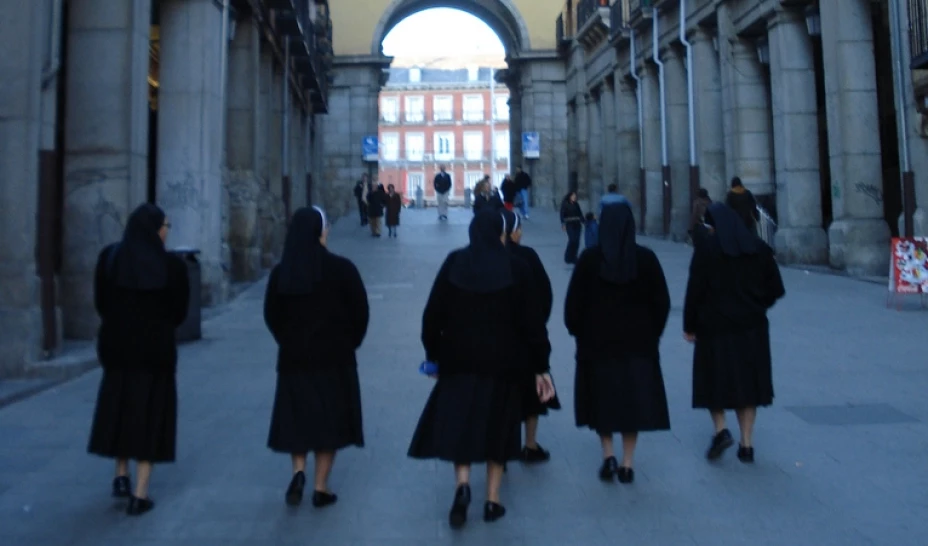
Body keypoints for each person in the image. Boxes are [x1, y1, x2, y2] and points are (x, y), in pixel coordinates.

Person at [408, 210, 555, 529]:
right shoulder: (516, 266)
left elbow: (432, 314)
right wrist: (541, 365)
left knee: (462, 423)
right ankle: (492, 499)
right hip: (505, 362)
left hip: (458, 361)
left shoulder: (455, 262)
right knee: (499, 429)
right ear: (501, 233)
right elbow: (532, 322)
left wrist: (433, 354)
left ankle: (462, 486)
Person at [87, 203, 190, 516]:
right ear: (155, 229)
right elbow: (179, 312)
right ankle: (141, 493)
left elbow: (101, 302)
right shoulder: (172, 267)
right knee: (151, 413)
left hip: (117, 349)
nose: (167, 231)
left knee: (121, 406)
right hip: (155, 352)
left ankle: (121, 474)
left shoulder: (111, 258)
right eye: (166, 226)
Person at [264, 206, 370, 508]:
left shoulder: (281, 273)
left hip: (294, 359)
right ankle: (321, 486)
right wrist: (351, 342)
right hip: (335, 359)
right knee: (329, 424)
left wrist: (287, 341)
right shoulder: (342, 269)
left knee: (297, 419)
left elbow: (271, 314)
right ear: (319, 231)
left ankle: (299, 472)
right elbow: (360, 312)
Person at [565, 202, 671, 483]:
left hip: (596, 348)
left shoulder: (589, 260)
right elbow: (662, 302)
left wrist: (578, 332)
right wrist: (653, 334)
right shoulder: (645, 259)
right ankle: (627, 463)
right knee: (631, 407)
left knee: (603, 404)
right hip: (638, 348)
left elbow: (573, 305)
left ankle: (608, 455)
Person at [683, 203, 785, 463]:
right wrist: (758, 305)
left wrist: (689, 325)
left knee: (713, 381)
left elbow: (694, 290)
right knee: (749, 384)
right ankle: (747, 444)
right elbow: (776, 289)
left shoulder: (706, 250)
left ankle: (721, 430)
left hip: (714, 328)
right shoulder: (759, 249)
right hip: (753, 329)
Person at [501, 209, 560, 463]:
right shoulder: (527, 257)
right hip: (526, 340)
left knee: (501, 397)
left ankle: (500, 449)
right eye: (518, 227)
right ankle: (530, 444)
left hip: (496, 341)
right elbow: (545, 293)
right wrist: (538, 322)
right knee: (531, 395)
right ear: (511, 231)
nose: (521, 232)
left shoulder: (480, 257)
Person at [560, 191, 583, 265]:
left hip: (577, 224)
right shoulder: (565, 204)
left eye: (575, 196)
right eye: (573, 196)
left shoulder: (576, 204)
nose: (574, 197)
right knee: (572, 240)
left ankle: (574, 257)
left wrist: (584, 221)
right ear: (569, 196)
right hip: (570, 224)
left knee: (577, 241)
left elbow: (580, 214)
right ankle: (568, 257)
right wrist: (563, 224)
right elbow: (562, 214)